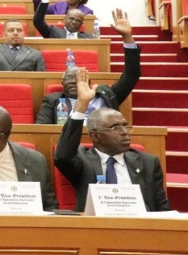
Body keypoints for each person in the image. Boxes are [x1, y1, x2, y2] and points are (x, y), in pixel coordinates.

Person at [54, 68, 168, 212]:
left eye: (125, 126)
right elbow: (63, 155)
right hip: (94, 230)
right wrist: (81, 104)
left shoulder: (148, 162)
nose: (125, 133)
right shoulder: (83, 161)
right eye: (115, 128)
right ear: (95, 136)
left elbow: (162, 208)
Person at [36, 12, 139, 123]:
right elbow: (43, 130)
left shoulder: (104, 96)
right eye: (68, 79)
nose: (72, 82)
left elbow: (132, 75)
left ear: (89, 82)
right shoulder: (53, 101)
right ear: (62, 84)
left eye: (78, 78)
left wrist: (127, 37)